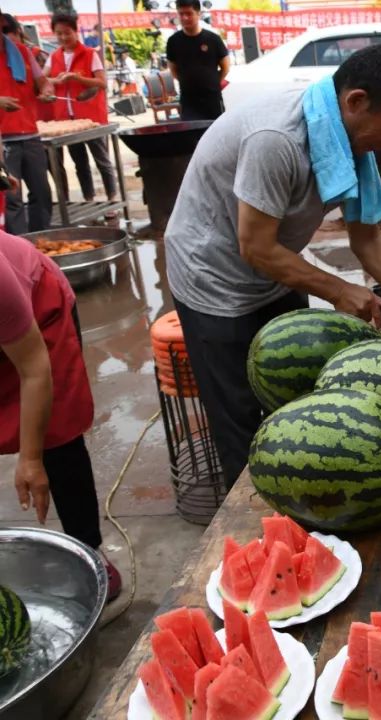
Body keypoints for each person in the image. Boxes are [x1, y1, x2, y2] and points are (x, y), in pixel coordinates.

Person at [165, 44, 381, 487]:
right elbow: (254, 247)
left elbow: (366, 237)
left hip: (273, 272)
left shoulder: (347, 139)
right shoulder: (277, 139)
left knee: (294, 399)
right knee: (239, 419)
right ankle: (251, 531)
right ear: (356, 102)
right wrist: (337, 289)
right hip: (213, 278)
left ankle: (301, 494)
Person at [0, 230, 122, 601]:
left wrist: (31, 458)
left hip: (38, 307)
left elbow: (36, 369)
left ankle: (89, 552)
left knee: (56, 433)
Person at [45, 13, 119, 206]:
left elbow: (102, 82)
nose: (63, 37)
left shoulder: (89, 54)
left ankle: (113, 197)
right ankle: (89, 198)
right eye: (59, 33)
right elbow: (42, 81)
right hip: (67, 120)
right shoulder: (53, 57)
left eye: (67, 33)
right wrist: (57, 80)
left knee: (102, 159)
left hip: (91, 118)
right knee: (80, 163)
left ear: (75, 32)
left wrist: (77, 79)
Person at [0, 14, 53, 234]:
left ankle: (40, 242)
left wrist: (46, 91)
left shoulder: (22, 52)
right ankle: (19, 249)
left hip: (30, 134)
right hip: (4, 140)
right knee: (12, 199)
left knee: (41, 193)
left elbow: (43, 81)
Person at [166, 0, 229, 121]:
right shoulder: (173, 41)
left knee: (216, 133)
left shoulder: (213, 39)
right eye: (181, 14)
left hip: (212, 99)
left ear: (198, 14)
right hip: (189, 101)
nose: (185, 17)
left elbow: (225, 67)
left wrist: (213, 82)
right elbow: (173, 70)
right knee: (192, 137)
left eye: (189, 13)